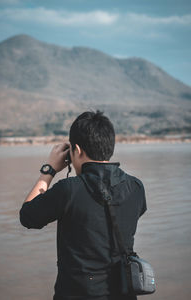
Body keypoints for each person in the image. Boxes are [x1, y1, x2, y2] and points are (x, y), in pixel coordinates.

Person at [19, 110, 147, 300]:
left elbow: (28, 216)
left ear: (76, 151)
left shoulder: (68, 190)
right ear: (109, 147)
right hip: (124, 294)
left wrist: (50, 169)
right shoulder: (135, 187)